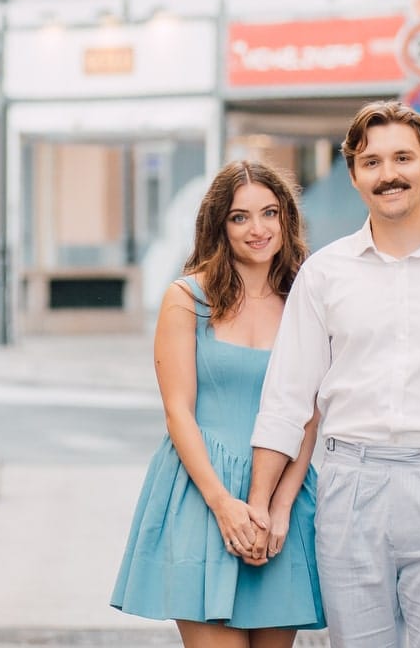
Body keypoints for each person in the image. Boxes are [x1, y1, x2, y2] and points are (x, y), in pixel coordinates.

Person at [245, 101, 420, 648]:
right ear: (354, 174)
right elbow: (287, 402)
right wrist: (261, 503)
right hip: (351, 487)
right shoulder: (323, 275)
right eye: (372, 161)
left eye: (402, 157)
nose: (389, 174)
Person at [111, 160, 325, 646]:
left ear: (287, 219)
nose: (258, 229)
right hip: (202, 493)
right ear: (218, 225)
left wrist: (284, 505)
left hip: (283, 495)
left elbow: (309, 415)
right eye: (240, 216)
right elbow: (178, 411)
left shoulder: (305, 299)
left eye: (269, 213)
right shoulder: (186, 298)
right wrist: (222, 504)